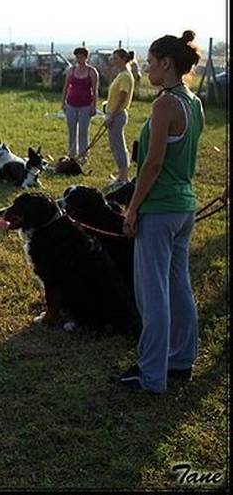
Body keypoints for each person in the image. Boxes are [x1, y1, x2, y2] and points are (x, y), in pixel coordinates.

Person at [120, 30, 204, 394]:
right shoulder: (193, 102)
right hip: (183, 206)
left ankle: (152, 374)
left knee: (152, 294)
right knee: (178, 286)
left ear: (166, 64)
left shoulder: (165, 104)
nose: (148, 69)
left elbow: (152, 165)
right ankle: (181, 359)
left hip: (159, 209)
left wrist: (133, 208)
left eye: (151, 63)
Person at [103, 48, 137, 190]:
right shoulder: (122, 74)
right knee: (116, 145)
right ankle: (121, 176)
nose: (113, 60)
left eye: (116, 58)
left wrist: (111, 116)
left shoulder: (124, 76)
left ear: (123, 59)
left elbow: (122, 97)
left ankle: (123, 178)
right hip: (114, 113)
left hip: (117, 115)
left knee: (118, 147)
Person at [61, 47, 99, 161]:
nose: (79, 59)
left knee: (83, 131)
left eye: (81, 57)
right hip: (71, 104)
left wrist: (94, 106)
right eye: (77, 57)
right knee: (72, 130)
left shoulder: (92, 71)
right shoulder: (71, 70)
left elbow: (95, 90)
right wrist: (63, 102)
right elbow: (66, 87)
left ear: (86, 57)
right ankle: (72, 154)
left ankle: (83, 155)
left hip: (85, 105)